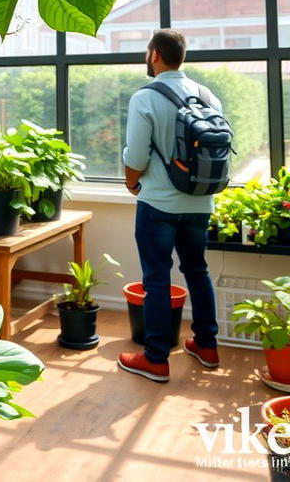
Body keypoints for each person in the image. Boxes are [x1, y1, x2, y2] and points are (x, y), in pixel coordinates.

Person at [117, 29, 221, 383]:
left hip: (158, 203)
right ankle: (207, 346)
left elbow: (137, 155)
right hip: (200, 202)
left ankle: (156, 359)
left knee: (157, 279)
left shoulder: (144, 97)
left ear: (155, 55)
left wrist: (132, 182)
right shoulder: (208, 96)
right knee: (197, 270)